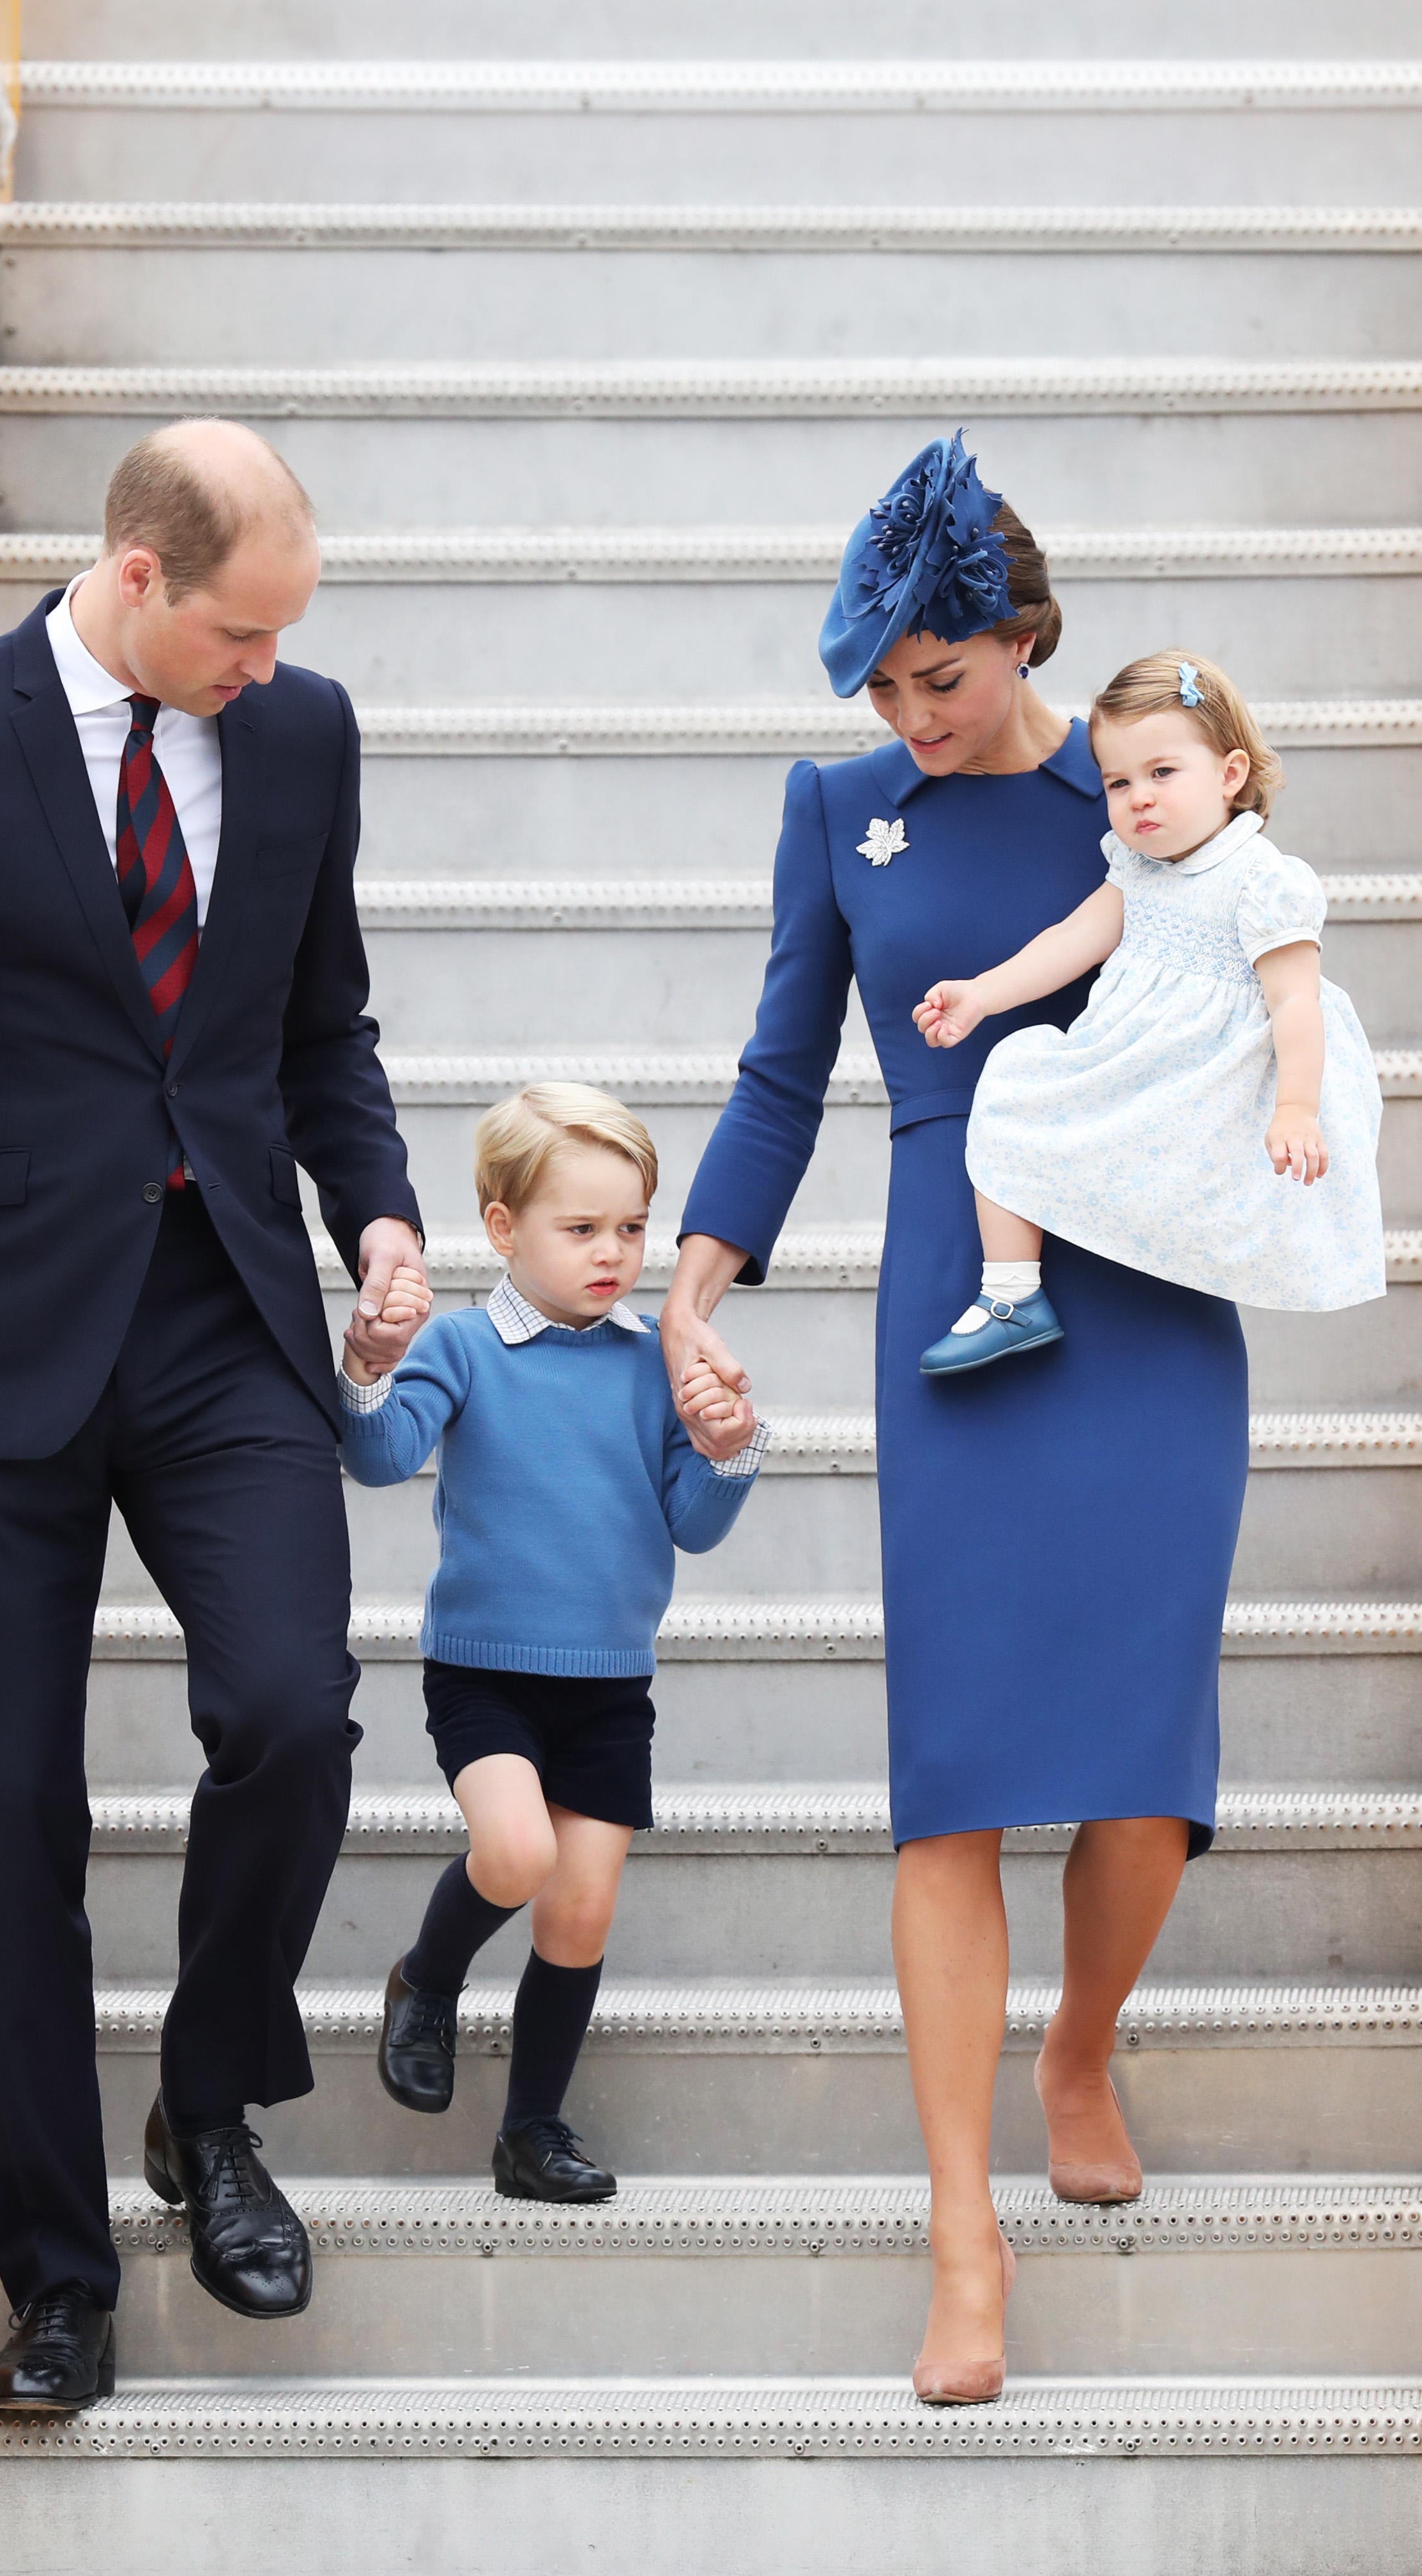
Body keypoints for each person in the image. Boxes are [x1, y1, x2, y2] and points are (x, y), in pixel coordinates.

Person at [0, 420, 429, 2415]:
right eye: (237, 632)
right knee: (2, 1815)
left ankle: (207, 2113)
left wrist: (373, 1207)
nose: (266, 671)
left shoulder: (299, 740)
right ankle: (55, 2276)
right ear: (133, 578)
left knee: (293, 1715)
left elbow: (322, 1029)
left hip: (224, 1325)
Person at [659, 434, 1251, 2404]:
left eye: (941, 679)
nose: (907, 721)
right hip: (955, 1292)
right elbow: (772, 1070)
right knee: (958, 1770)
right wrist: (695, 1280)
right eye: (879, 690)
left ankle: (1080, 2038)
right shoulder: (837, 814)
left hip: (1148, 1278)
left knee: (1148, 1760)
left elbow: (1262, 965)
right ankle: (960, 2232)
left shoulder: (1138, 774)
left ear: (1019, 638)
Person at [338, 1086, 765, 2200]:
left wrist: (726, 1445)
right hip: (484, 1672)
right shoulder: (466, 1346)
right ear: (500, 1228)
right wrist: (368, 1369)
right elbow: (380, 1458)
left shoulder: (651, 1362)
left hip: (609, 1685)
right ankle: (427, 1978)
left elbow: (694, 1523)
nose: (613, 1252)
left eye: (631, 1227)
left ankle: (530, 2128)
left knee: (578, 1908)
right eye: (580, 1229)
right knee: (517, 1855)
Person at [914, 649, 1384, 1374]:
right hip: (1135, 1062)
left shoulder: (1261, 881)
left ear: (1230, 775)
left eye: (1163, 773)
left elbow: (1295, 1000)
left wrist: (1296, 1106)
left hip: (1211, 1083)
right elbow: (1073, 940)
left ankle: (1159, 1248)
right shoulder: (1138, 868)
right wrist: (983, 994)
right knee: (1014, 1075)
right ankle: (1012, 1296)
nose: (1139, 797)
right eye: (1119, 781)